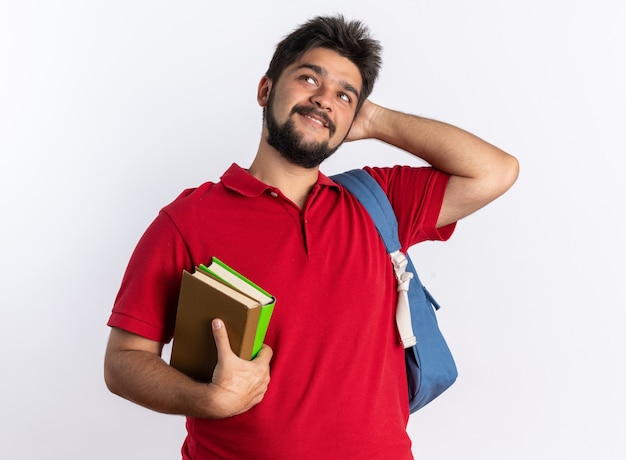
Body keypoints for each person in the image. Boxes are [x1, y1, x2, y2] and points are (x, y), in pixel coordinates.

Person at [104, 15, 518, 459]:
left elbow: (494, 171)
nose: (324, 100)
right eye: (309, 79)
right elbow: (124, 361)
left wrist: (376, 119)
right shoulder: (187, 220)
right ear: (266, 90)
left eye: (344, 95)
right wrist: (207, 400)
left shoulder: (379, 201)